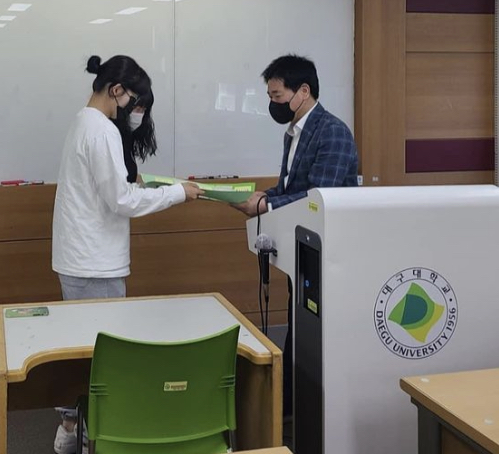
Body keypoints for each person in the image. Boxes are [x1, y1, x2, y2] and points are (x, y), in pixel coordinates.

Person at [51, 56, 202, 453]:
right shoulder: (102, 130)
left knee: (84, 351)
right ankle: (93, 436)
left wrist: (152, 186)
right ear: (116, 90)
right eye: (134, 101)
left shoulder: (83, 121)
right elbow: (121, 201)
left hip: (80, 257)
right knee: (104, 360)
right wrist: (176, 193)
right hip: (95, 262)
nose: (135, 111)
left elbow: (109, 188)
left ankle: (73, 426)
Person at [230, 54, 358, 419]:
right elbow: (291, 187)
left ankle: (308, 411)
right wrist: (265, 196)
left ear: (303, 91)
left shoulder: (332, 131)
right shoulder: (294, 132)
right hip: (300, 249)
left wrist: (267, 204)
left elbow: (320, 195)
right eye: (270, 96)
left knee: (316, 333)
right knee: (299, 324)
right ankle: (289, 408)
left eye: (278, 96)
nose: (273, 104)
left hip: (330, 252)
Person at [113, 88, 157, 184]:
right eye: (136, 109)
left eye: (143, 110)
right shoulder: (112, 136)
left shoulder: (129, 136)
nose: (139, 115)